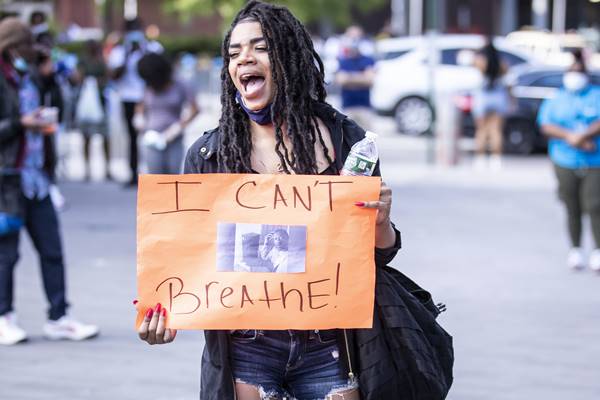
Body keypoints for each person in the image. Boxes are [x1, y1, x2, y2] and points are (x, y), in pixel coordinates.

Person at [136, 3, 409, 399]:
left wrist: (381, 222)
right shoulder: (209, 156)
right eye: (233, 53)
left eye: (260, 48)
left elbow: (379, 256)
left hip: (331, 345)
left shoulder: (348, 143)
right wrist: (167, 309)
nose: (243, 58)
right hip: (248, 347)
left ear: (288, 56)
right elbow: (191, 258)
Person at [0, 18, 99, 346]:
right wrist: (20, 123)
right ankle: (4, 317)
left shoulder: (28, 78)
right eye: (27, 45)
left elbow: (57, 103)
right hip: (8, 180)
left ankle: (59, 317)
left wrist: (48, 80)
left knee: (52, 249)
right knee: (7, 254)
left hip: (37, 177)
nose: (31, 52)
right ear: (12, 46)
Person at [537, 51, 600, 271]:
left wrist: (583, 137)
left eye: (579, 72)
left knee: (594, 204)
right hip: (565, 159)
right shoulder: (557, 98)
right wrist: (571, 138)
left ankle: (597, 251)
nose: (575, 76)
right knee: (571, 205)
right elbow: (546, 125)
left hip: (595, 160)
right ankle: (576, 249)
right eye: (571, 72)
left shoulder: (596, 95)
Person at [107, 18, 162, 187]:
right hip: (128, 99)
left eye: (136, 28)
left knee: (153, 135)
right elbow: (114, 76)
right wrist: (126, 55)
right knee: (132, 138)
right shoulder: (119, 52)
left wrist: (144, 52)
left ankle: (156, 174)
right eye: (131, 29)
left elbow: (160, 71)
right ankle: (133, 173)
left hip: (149, 98)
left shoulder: (153, 48)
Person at [135, 52, 199, 174]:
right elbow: (140, 105)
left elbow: (195, 108)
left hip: (173, 137)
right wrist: (139, 119)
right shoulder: (147, 86)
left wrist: (178, 127)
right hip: (152, 137)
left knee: (172, 175)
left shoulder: (180, 84)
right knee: (155, 177)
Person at [472, 37, 510, 171]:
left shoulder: (480, 60)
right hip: (498, 95)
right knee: (496, 130)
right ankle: (496, 159)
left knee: (481, 130)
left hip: (483, 96)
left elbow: (475, 67)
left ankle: (480, 159)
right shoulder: (501, 62)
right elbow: (508, 79)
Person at [75, 40, 110, 181]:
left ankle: (104, 168)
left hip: (100, 103)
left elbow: (107, 77)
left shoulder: (100, 60)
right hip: (88, 104)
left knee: (103, 138)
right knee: (87, 138)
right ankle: (88, 169)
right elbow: (78, 77)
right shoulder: (84, 61)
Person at [335, 26, 375, 130]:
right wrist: (361, 77)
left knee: (367, 139)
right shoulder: (343, 61)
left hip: (364, 107)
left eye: (357, 37)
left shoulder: (367, 60)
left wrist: (349, 77)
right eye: (352, 37)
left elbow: (370, 80)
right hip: (347, 106)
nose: (354, 40)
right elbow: (341, 80)